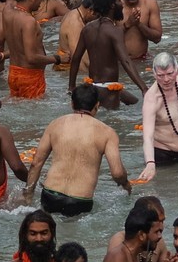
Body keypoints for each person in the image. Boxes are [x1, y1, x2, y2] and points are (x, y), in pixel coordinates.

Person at [25, 84, 131, 217]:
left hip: (50, 195)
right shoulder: (107, 133)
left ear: (72, 104)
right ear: (97, 105)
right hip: (80, 201)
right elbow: (117, 173)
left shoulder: (55, 124)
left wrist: (28, 195)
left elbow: (36, 163)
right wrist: (126, 185)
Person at [139, 52, 178, 180]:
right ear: (154, 74)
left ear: (177, 70)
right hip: (165, 157)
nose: (166, 79)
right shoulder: (151, 99)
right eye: (160, 75)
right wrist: (150, 163)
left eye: (170, 73)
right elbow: (148, 137)